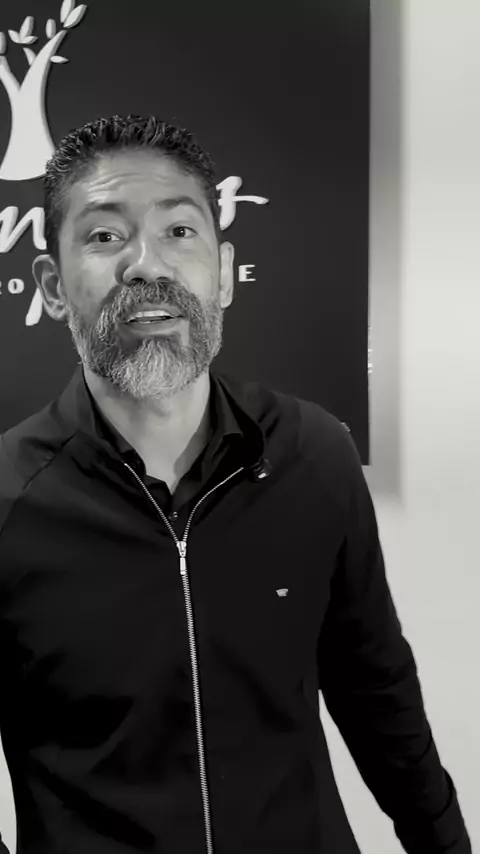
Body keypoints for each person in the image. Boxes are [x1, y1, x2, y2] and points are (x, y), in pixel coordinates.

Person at [0, 114, 471, 854]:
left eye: (179, 231)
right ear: (54, 289)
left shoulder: (315, 452)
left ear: (222, 272)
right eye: (105, 235)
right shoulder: (7, 500)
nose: (147, 265)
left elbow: (376, 690)